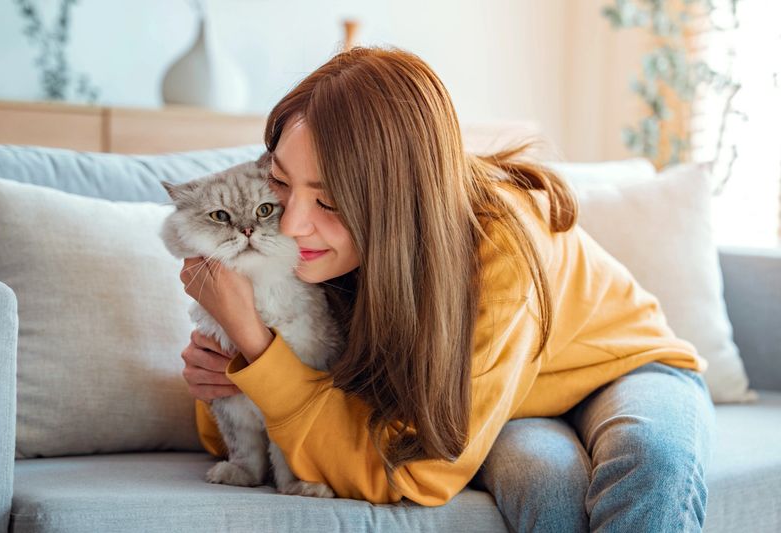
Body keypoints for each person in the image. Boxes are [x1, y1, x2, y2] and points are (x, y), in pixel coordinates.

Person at [177, 46, 716, 532]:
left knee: (652, 457)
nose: (292, 224)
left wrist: (258, 347)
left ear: (395, 199)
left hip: (625, 368)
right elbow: (263, 438)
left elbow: (421, 475)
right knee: (548, 483)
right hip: (512, 403)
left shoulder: (501, 246)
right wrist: (232, 360)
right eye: (282, 182)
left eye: (329, 197)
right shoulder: (305, 247)